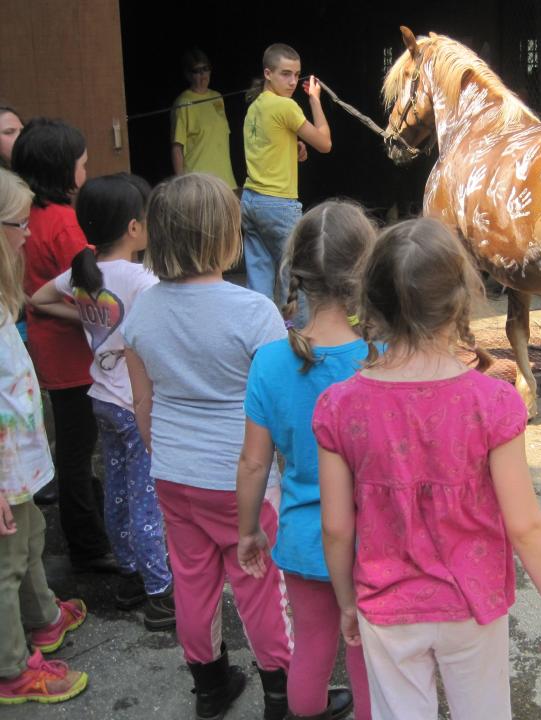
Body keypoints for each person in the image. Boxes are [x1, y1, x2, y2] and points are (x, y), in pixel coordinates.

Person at [313, 217, 541, 720]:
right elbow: (525, 524)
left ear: (372, 303)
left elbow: (336, 528)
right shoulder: (492, 401)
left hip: (386, 604)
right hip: (473, 601)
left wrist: (346, 602)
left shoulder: (340, 406)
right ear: (460, 300)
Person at [122, 173, 292, 720]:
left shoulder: (142, 312)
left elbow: (141, 403)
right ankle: (280, 693)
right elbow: (278, 404)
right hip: (242, 476)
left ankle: (210, 687)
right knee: (260, 585)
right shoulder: (253, 312)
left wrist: (166, 455)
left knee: (192, 583)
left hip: (173, 471)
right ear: (225, 236)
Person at [237, 200, 377, 720]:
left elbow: (254, 465)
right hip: (373, 539)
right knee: (366, 655)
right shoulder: (381, 356)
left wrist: (248, 529)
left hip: (300, 538)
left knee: (312, 651)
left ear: (294, 272)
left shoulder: (270, 360)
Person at [30, 173, 175, 629]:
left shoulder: (83, 270)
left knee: (115, 492)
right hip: (136, 405)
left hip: (102, 398)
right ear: (134, 227)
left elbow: (37, 298)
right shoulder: (141, 278)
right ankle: (160, 594)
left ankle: (129, 578)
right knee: (146, 499)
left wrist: (88, 318)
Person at [0, 167, 88, 706]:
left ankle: (42, 617)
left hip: (18, 462)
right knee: (5, 565)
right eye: (17, 222)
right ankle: (12, 668)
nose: (28, 233)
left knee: (30, 540)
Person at [12, 118, 116, 572]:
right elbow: (96, 296)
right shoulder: (64, 224)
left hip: (46, 348)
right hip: (73, 354)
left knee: (73, 445)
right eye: (82, 163)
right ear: (63, 170)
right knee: (76, 451)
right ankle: (88, 545)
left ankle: (88, 522)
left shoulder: (24, 215)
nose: (86, 170)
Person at [241, 43, 332, 311]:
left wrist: (294, 144)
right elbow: (325, 143)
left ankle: (263, 343)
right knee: (296, 281)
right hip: (279, 204)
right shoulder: (286, 106)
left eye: (297, 74)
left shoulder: (255, 107)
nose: (293, 81)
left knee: (259, 284)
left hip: (250, 201)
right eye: (285, 74)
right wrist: (315, 99)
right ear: (267, 74)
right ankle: (300, 341)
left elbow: (267, 144)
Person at [171, 49, 238, 190]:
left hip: (225, 181)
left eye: (205, 69)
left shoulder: (217, 97)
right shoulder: (183, 102)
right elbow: (177, 147)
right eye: (197, 71)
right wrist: (181, 186)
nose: (203, 75)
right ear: (187, 75)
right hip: (198, 184)